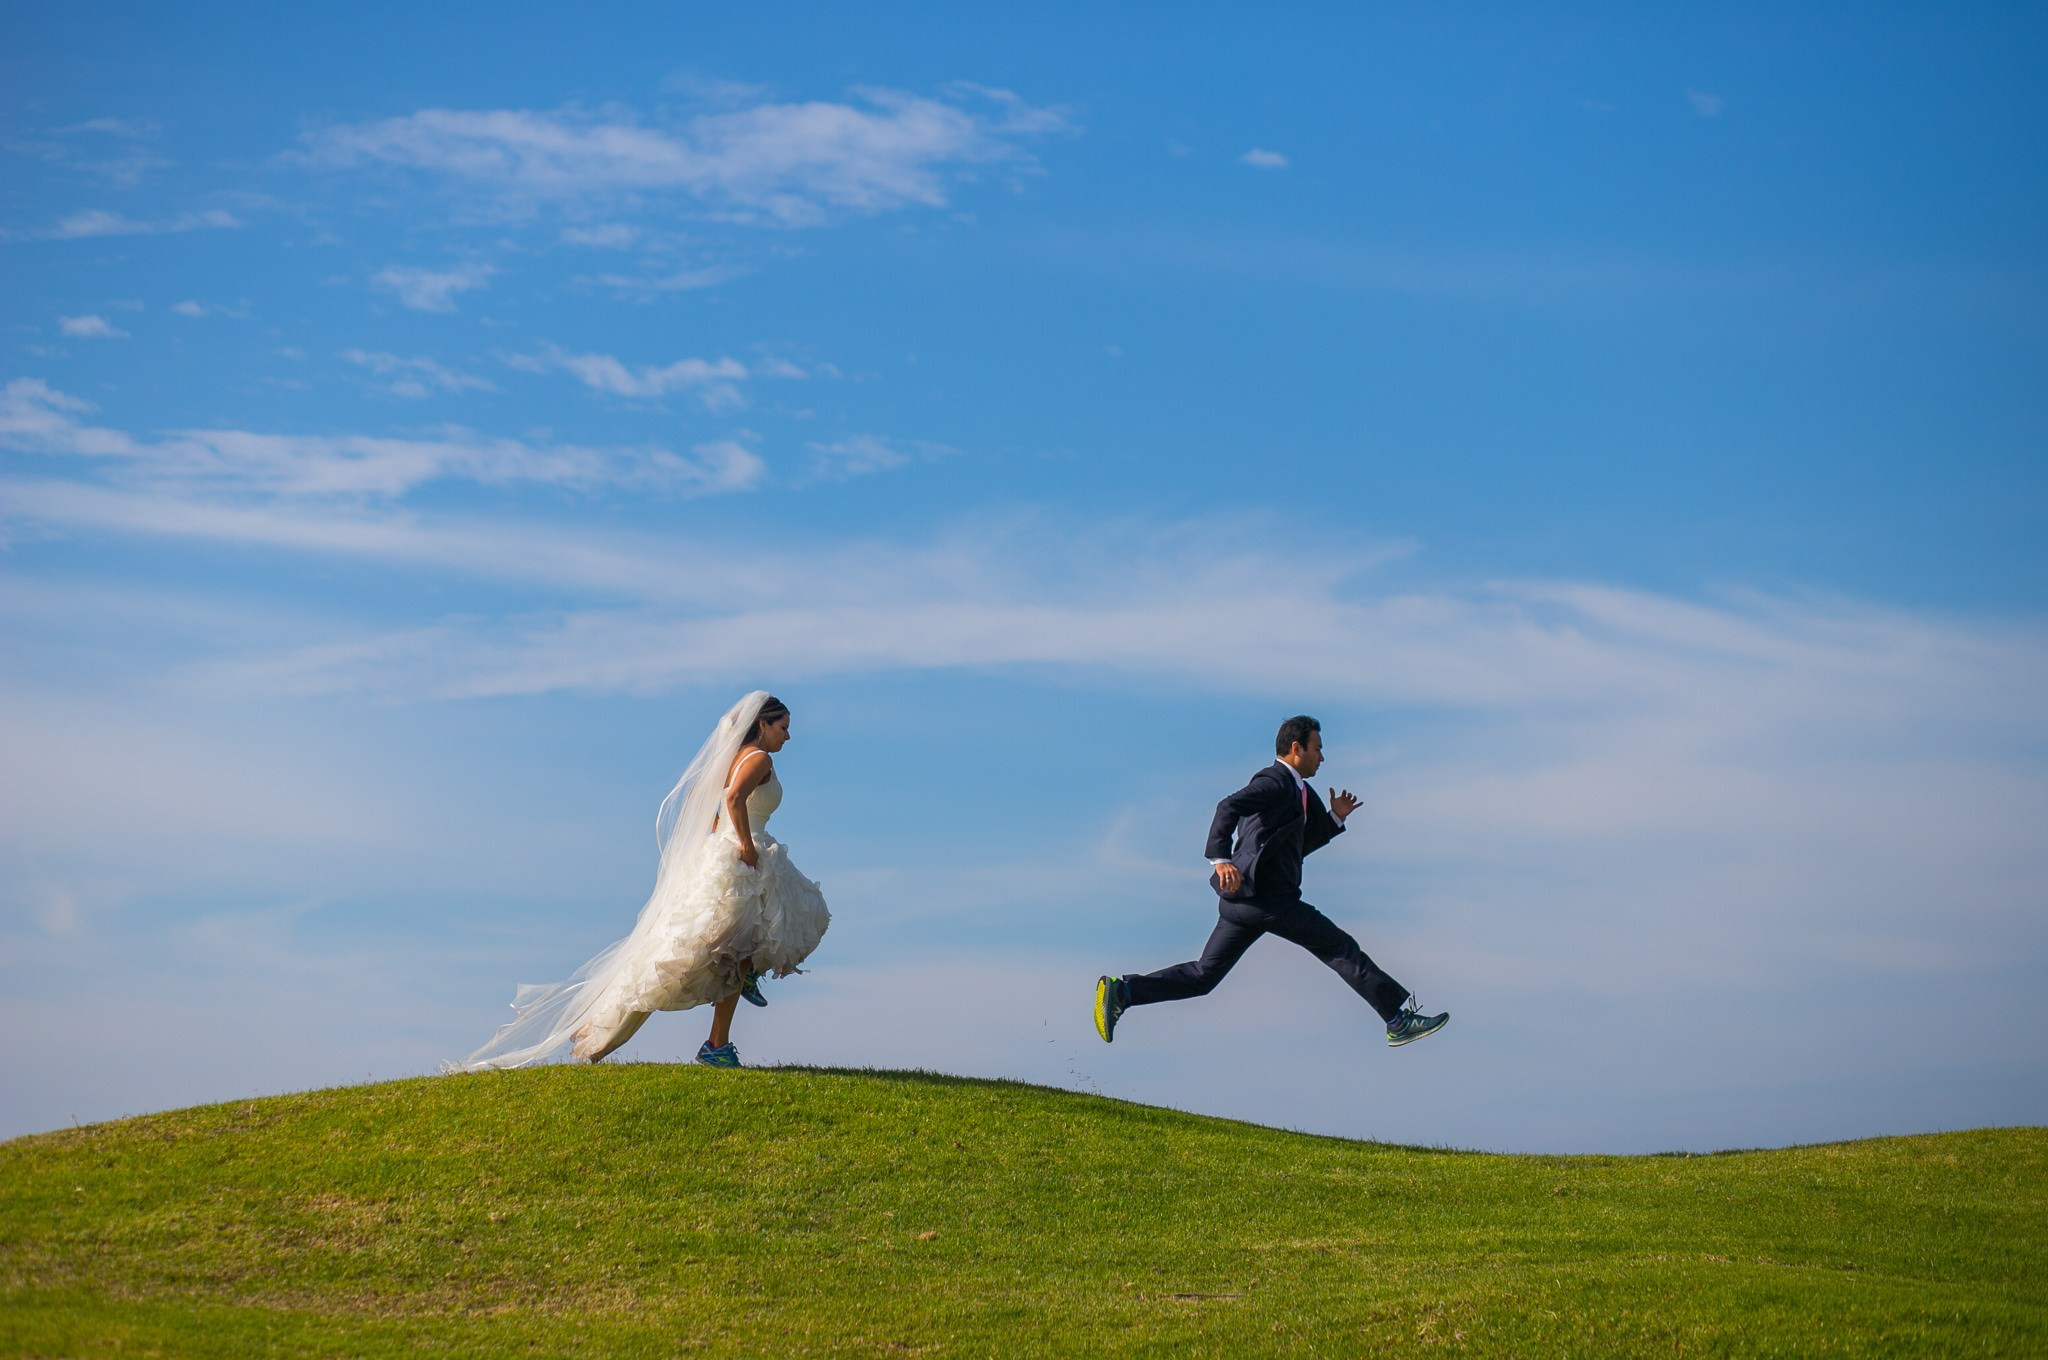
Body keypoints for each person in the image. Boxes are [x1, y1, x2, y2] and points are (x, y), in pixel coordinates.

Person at [451, 691, 830, 1072]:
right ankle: (674, 1034)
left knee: (733, 949)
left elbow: (711, 806)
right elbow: (732, 799)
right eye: (783, 727)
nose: (788, 736)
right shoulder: (758, 758)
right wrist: (744, 845)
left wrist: (724, 839)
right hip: (743, 858)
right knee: (705, 952)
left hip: (730, 855)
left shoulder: (732, 758)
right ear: (762, 724)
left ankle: (721, 1032)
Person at [1094, 715, 1447, 1048]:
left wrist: (1334, 819)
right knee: (1340, 948)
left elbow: (1295, 847)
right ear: (1296, 748)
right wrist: (1220, 859)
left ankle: (1123, 992)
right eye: (1317, 749)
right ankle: (1397, 1021)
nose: (1322, 757)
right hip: (1270, 901)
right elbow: (1227, 806)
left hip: (1243, 903)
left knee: (1204, 975)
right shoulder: (1275, 782)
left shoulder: (1299, 791)